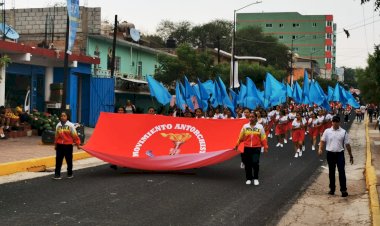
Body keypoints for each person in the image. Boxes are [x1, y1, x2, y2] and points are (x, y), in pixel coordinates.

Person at [318, 115, 353, 197]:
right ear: (332, 122)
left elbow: (347, 145)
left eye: (337, 121)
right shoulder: (327, 131)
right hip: (330, 154)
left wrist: (351, 155)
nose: (335, 123)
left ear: (339, 122)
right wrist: (320, 149)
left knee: (341, 171)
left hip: (340, 154)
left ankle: (343, 190)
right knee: (331, 172)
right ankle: (332, 189)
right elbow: (322, 141)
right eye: (334, 121)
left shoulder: (343, 132)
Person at [234, 112, 268, 186]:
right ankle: (248, 178)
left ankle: (256, 178)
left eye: (252, 117)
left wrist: (265, 147)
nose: (251, 118)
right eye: (250, 117)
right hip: (247, 148)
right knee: (248, 164)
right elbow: (240, 137)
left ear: (256, 118)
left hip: (256, 148)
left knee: (255, 163)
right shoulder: (245, 126)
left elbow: (263, 138)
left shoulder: (260, 127)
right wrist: (237, 145)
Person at [53, 111, 81, 180]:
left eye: (64, 116)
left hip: (68, 146)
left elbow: (75, 135)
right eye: (61, 116)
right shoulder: (58, 125)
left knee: (69, 160)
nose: (62, 117)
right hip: (59, 145)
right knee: (58, 160)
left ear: (67, 117)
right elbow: (56, 136)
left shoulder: (70, 125)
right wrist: (55, 144)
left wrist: (78, 144)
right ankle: (57, 174)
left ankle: (69, 173)